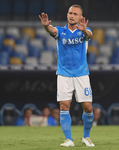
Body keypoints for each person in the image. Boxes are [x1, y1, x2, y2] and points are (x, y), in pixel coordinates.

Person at [39, 4, 95, 147]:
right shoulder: (60, 31)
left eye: (75, 14)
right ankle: (69, 139)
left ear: (80, 17)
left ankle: (86, 137)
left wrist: (84, 31)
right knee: (64, 105)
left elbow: (90, 35)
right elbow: (52, 30)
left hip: (82, 74)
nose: (71, 15)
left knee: (88, 107)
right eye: (70, 13)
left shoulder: (84, 30)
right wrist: (46, 27)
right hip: (64, 74)